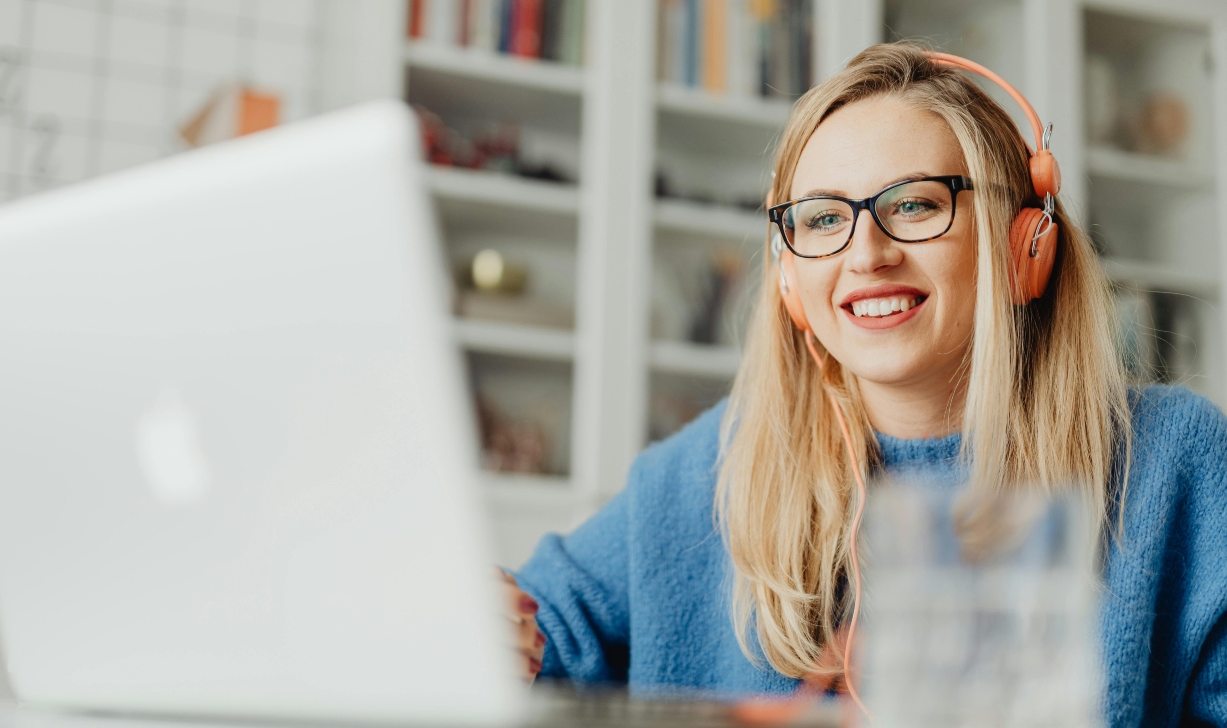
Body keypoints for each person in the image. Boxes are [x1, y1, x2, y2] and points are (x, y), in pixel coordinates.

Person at [504, 43, 1227, 725]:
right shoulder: (709, 468)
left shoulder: (1175, 459)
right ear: (790, 279)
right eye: (822, 219)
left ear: (1023, 247)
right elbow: (540, 632)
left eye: (914, 204)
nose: (866, 254)